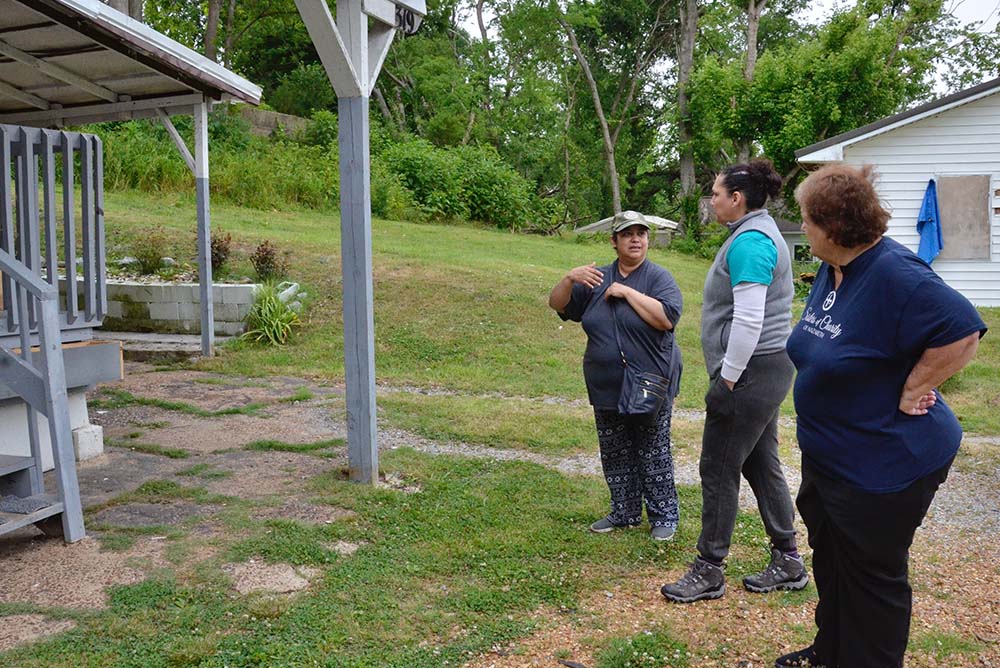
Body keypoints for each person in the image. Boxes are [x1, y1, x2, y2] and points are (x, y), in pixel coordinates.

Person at [774, 164, 986, 668]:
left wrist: (917, 387)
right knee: (833, 561)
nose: (802, 227)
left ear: (832, 227)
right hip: (831, 456)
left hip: (884, 465)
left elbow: (963, 332)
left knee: (873, 579)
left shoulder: (897, 273)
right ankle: (832, 652)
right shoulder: (835, 266)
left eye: (806, 219)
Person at [661, 159, 807, 603]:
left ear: (737, 199)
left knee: (718, 466)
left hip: (751, 370)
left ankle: (709, 568)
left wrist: (726, 379)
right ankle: (788, 559)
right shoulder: (753, 236)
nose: (713, 200)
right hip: (764, 367)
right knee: (761, 463)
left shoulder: (751, 243)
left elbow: (748, 319)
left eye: (717, 193)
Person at [549, 210, 683, 541]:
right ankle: (624, 512)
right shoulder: (597, 278)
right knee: (614, 450)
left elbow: (666, 318)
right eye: (628, 234)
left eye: (641, 233)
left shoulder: (657, 278)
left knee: (652, 450)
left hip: (649, 382)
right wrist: (568, 279)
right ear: (614, 241)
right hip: (606, 383)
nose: (636, 239)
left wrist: (626, 292)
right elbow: (559, 306)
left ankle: (664, 516)